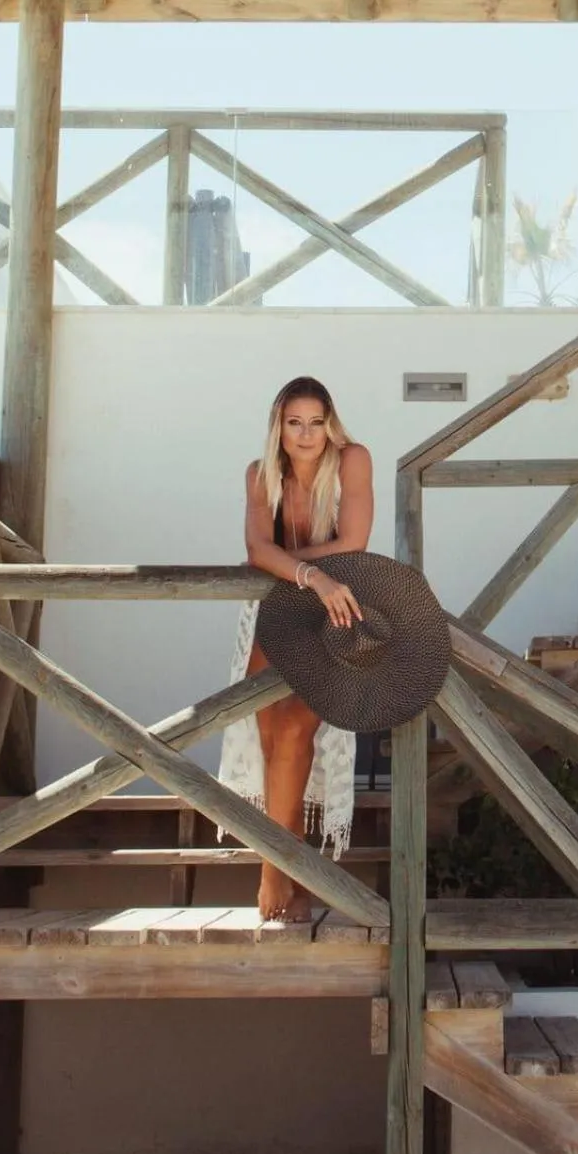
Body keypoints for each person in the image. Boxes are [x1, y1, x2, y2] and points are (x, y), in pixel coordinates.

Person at [219, 375, 374, 922]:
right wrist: (308, 572)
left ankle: (272, 873)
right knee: (267, 738)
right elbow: (256, 546)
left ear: (329, 425)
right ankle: (296, 876)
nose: (306, 434)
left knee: (294, 732)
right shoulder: (261, 474)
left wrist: (285, 564)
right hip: (277, 606)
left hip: (332, 610)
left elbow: (353, 543)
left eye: (316, 422)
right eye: (294, 423)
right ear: (278, 428)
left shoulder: (352, 460)